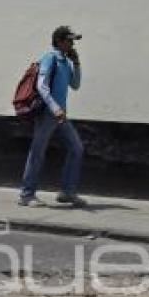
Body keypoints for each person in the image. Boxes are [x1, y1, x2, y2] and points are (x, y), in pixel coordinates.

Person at [18, 26, 86, 208]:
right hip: (49, 113)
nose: (72, 44)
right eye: (69, 41)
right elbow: (41, 85)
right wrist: (55, 108)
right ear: (60, 41)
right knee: (38, 152)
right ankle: (26, 195)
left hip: (60, 115)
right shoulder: (51, 58)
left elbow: (76, 85)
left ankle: (67, 192)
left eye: (73, 41)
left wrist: (77, 63)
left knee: (76, 148)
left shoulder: (65, 61)